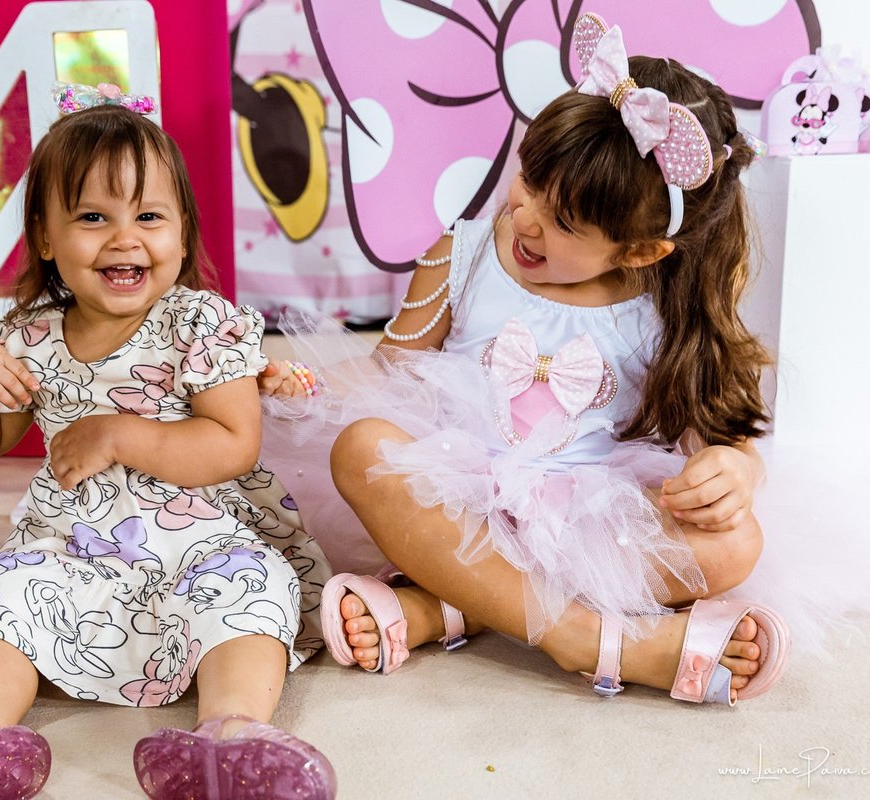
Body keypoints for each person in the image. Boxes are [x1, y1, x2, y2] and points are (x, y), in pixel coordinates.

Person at [260, 14, 790, 707]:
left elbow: (723, 429)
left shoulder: (665, 309)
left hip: (589, 515)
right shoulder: (464, 253)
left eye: (566, 222)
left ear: (636, 251)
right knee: (363, 449)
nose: (529, 217)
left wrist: (736, 469)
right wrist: (303, 386)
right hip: (461, 497)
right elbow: (394, 375)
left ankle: (453, 605)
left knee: (736, 543)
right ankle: (588, 635)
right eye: (531, 179)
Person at [0, 87, 335, 800]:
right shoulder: (29, 332)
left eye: (149, 217)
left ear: (183, 232)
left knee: (250, 591)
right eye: (93, 217)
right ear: (45, 237)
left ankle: (231, 734)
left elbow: (233, 443)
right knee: (2, 596)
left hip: (203, 539)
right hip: (73, 547)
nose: (124, 239)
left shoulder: (199, 323)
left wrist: (121, 434)